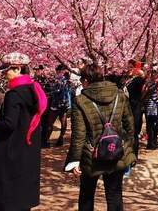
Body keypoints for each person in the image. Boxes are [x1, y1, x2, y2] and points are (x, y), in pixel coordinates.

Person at [0, 52, 47, 211]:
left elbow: (9, 124)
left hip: (11, 148)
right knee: (21, 192)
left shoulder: (14, 94)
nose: (4, 74)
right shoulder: (33, 90)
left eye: (7, 70)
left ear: (18, 69)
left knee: (3, 191)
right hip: (28, 148)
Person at [65, 63, 136, 211]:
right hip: (116, 151)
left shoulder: (81, 100)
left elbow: (79, 134)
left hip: (91, 155)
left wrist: (74, 160)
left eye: (81, 80)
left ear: (86, 80)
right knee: (115, 195)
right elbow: (130, 126)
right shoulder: (120, 95)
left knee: (86, 195)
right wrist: (128, 149)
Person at [44, 64, 71, 147]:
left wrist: (47, 94)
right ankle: (60, 139)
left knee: (50, 123)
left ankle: (46, 141)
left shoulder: (58, 80)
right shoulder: (67, 80)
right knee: (63, 122)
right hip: (65, 103)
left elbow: (56, 90)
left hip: (56, 104)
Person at [125, 60, 146, 157]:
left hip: (135, 109)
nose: (129, 69)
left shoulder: (137, 80)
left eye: (131, 67)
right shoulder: (128, 80)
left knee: (134, 133)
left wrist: (141, 74)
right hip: (127, 109)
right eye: (128, 67)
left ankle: (134, 155)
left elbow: (143, 80)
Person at [143, 75, 158, 150]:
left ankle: (151, 142)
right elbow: (154, 98)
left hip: (148, 108)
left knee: (149, 126)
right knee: (151, 126)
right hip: (152, 109)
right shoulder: (152, 86)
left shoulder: (147, 85)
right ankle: (151, 143)